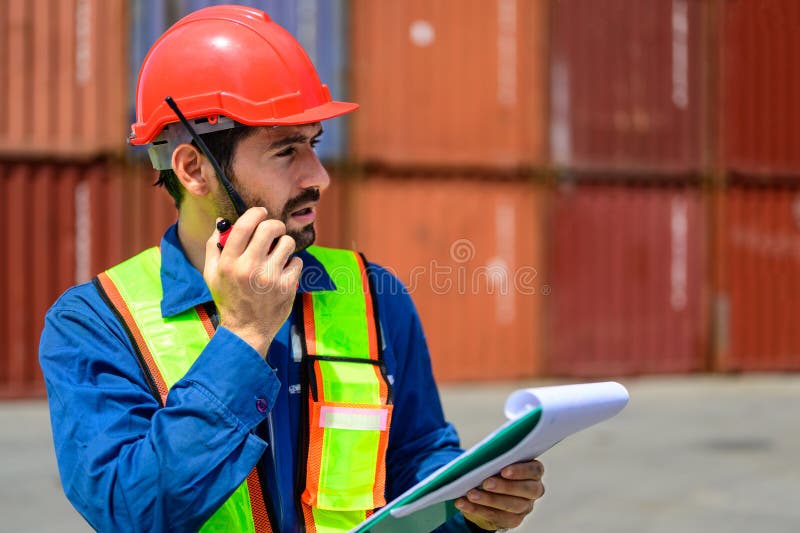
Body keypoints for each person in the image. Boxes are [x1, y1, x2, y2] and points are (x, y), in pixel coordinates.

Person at [39, 5, 544, 532]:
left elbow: (416, 463)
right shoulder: (94, 324)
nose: (319, 176)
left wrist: (473, 504)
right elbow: (132, 513)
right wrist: (244, 335)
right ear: (193, 169)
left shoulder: (374, 295)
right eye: (286, 151)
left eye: (315, 143)